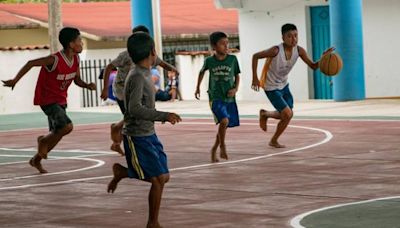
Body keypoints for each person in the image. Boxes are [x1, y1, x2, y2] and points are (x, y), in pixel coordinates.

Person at [107, 32, 181, 228]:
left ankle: (123, 172)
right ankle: (152, 223)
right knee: (157, 181)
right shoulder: (137, 76)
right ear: (152, 52)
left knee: (164, 177)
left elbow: (160, 62)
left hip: (149, 133)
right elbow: (134, 108)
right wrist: (163, 115)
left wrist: (171, 67)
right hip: (136, 135)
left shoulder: (147, 65)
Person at [2, 27, 96, 173]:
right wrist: (15, 80)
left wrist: (87, 85)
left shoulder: (76, 59)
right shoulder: (54, 60)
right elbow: (30, 63)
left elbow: (76, 80)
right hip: (47, 100)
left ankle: (36, 160)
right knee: (67, 127)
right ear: (71, 44)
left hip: (60, 100)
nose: (82, 44)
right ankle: (42, 141)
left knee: (57, 134)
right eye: (79, 41)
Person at [100, 25, 179, 156]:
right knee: (134, 116)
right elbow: (109, 67)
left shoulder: (149, 54)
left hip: (137, 87)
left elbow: (162, 63)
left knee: (134, 115)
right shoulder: (125, 56)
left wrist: (173, 69)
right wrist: (104, 89)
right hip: (122, 89)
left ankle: (118, 134)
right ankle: (123, 141)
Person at [251, 23, 334, 148]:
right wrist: (255, 78)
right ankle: (273, 140)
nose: (293, 39)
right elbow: (255, 56)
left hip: (284, 85)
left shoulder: (299, 50)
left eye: (296, 36)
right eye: (289, 36)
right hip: (271, 87)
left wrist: (323, 58)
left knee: (286, 115)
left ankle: (265, 114)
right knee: (288, 114)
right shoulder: (275, 50)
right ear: (283, 38)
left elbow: (313, 66)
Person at [195, 31, 241, 163]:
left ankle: (214, 149)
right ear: (214, 46)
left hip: (229, 98)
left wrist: (235, 89)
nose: (226, 46)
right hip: (215, 97)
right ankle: (222, 146)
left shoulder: (232, 59)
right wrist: (198, 87)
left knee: (223, 124)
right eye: (222, 44)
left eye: (227, 43)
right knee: (224, 121)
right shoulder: (209, 61)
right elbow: (201, 72)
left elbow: (237, 75)